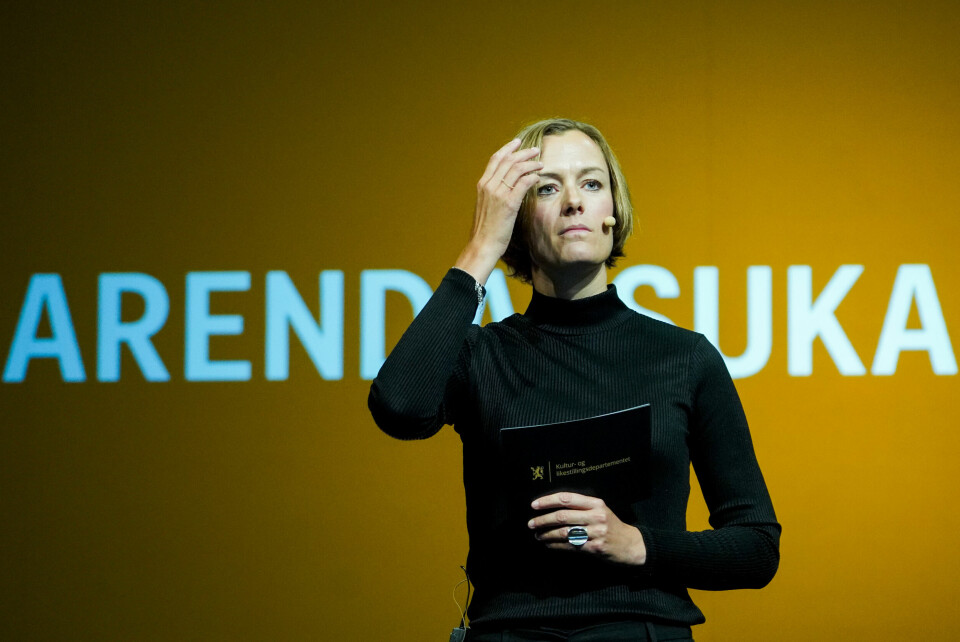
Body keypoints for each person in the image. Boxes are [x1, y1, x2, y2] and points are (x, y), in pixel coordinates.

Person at [368, 118, 780, 641]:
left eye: (591, 183)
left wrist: (638, 544)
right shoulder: (482, 355)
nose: (573, 202)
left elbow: (756, 547)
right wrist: (479, 250)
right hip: (511, 632)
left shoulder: (683, 357)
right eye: (546, 188)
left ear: (614, 211)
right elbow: (399, 407)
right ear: (516, 221)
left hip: (642, 630)